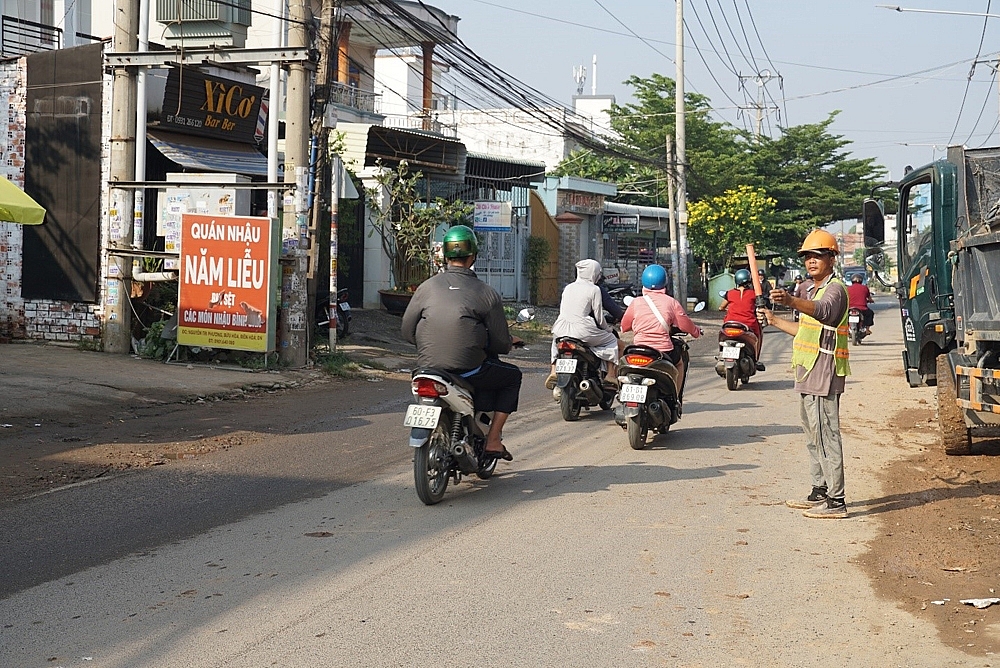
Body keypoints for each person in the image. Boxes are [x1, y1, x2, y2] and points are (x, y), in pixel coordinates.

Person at [401, 225, 521, 462]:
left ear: (445, 255)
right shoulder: (486, 292)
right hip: (469, 369)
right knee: (512, 376)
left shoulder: (425, 288)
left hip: (428, 367)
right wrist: (504, 343)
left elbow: (406, 331)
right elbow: (499, 343)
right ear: (473, 255)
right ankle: (494, 439)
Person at [763, 229, 851, 519]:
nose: (811, 261)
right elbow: (804, 329)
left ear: (831, 258)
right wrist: (775, 320)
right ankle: (819, 490)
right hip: (806, 370)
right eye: (807, 257)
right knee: (813, 435)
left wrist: (790, 302)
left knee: (826, 434)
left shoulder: (834, 289)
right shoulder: (811, 290)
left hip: (824, 371)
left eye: (817, 256)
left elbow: (824, 313)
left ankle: (836, 501)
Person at [545, 259, 624, 389]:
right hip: (583, 329)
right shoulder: (594, 289)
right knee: (611, 340)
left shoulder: (568, 288)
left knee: (555, 341)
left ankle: (553, 371)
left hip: (561, 327)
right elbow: (599, 317)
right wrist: (607, 329)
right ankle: (610, 374)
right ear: (593, 273)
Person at [620, 264, 702, 385]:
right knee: (679, 363)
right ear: (665, 282)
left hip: (639, 349)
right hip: (663, 351)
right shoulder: (671, 302)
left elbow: (624, 326)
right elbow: (684, 324)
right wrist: (696, 332)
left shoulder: (636, 302)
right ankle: (676, 401)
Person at [719, 268, 765, 371]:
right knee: (759, 335)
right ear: (749, 280)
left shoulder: (729, 293)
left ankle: (721, 353)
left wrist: (724, 309)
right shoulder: (753, 294)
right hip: (748, 325)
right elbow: (760, 306)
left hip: (730, 324)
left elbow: (721, 307)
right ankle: (756, 359)